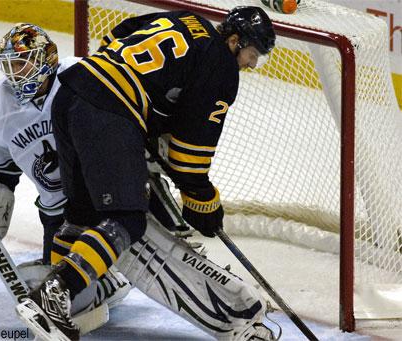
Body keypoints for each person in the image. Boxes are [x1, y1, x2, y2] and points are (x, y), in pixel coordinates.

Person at [16, 7, 276, 341]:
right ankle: (52, 295)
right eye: (252, 54)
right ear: (235, 40)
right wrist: (203, 200)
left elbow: (120, 31)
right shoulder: (222, 66)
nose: (252, 63)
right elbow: (189, 156)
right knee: (127, 219)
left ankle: (62, 305)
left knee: (82, 215)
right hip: (107, 113)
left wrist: (145, 110)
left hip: (72, 92)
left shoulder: (187, 18)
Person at [0, 22, 131, 321]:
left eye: (22, 62)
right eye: (10, 65)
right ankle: (103, 283)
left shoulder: (82, 76)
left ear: (47, 59)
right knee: (59, 285)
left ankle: (108, 275)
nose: (15, 72)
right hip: (56, 212)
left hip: (104, 194)